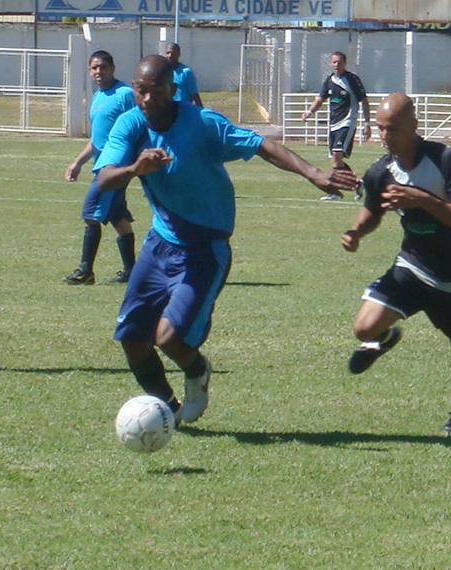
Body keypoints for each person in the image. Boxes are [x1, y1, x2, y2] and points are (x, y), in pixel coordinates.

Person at [94, 55, 358, 424]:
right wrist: (134, 168)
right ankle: (166, 413)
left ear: (173, 89)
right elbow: (104, 178)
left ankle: (197, 371)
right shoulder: (131, 124)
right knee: (132, 339)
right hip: (159, 245)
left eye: (157, 91)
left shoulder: (202, 124)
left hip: (205, 249)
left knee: (169, 337)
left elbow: (261, 145)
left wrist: (313, 172)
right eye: (141, 91)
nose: (148, 99)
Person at [340, 93, 451, 433]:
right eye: (380, 129)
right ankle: (383, 337)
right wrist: (355, 231)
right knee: (363, 327)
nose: (385, 136)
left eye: (392, 129)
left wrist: (421, 200)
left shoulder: (446, 160)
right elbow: (372, 211)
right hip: (412, 266)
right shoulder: (381, 171)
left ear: (414, 125)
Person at [63, 50, 137, 285]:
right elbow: (97, 140)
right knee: (118, 218)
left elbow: (139, 124)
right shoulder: (97, 97)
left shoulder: (125, 94)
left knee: (90, 214)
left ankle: (86, 271)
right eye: (94, 68)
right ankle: (132, 271)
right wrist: (78, 162)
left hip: (114, 169)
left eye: (102, 67)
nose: (98, 72)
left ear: (113, 68)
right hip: (101, 164)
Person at [301, 51, 370, 202]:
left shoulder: (352, 80)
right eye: (334, 62)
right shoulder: (329, 81)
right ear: (330, 64)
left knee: (337, 156)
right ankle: (357, 183)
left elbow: (364, 101)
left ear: (344, 63)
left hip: (347, 121)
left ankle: (335, 192)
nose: (336, 65)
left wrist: (367, 123)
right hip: (333, 124)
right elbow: (320, 99)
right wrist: (309, 112)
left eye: (339, 62)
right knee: (335, 162)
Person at [164, 43, 203, 107]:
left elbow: (195, 96)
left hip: (183, 110)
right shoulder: (164, 71)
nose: (170, 55)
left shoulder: (186, 72)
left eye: (173, 53)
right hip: (168, 110)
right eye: (168, 53)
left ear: (178, 54)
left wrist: (200, 114)